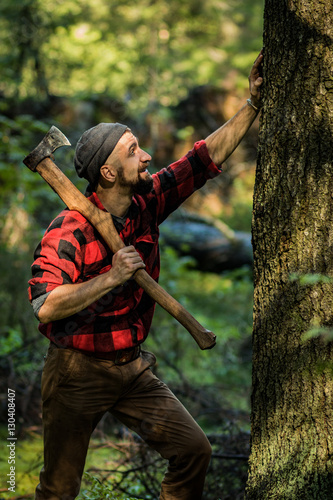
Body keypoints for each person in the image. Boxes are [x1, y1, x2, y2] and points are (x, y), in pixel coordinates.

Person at [28, 51, 263, 500]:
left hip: (132, 366)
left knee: (194, 450)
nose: (148, 155)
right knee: (58, 491)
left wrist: (251, 104)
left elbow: (201, 162)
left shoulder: (147, 202)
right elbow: (45, 301)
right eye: (134, 151)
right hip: (76, 370)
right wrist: (111, 276)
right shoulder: (70, 229)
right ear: (109, 172)